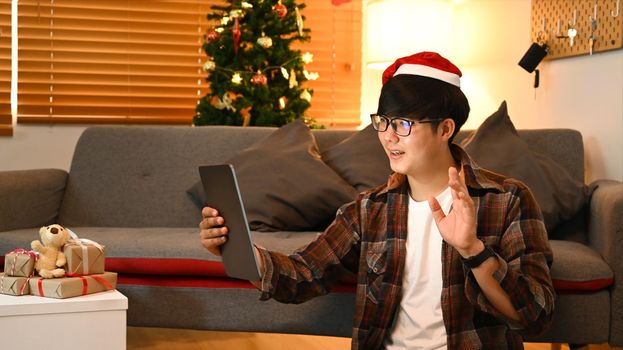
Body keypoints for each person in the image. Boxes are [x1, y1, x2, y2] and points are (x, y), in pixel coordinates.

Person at [199, 52, 555, 349]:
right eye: (382, 122)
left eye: (402, 124)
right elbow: (305, 273)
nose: (386, 137)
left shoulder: (507, 199)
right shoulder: (371, 208)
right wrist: (241, 251)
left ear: (445, 129)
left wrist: (473, 250)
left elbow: (534, 318)